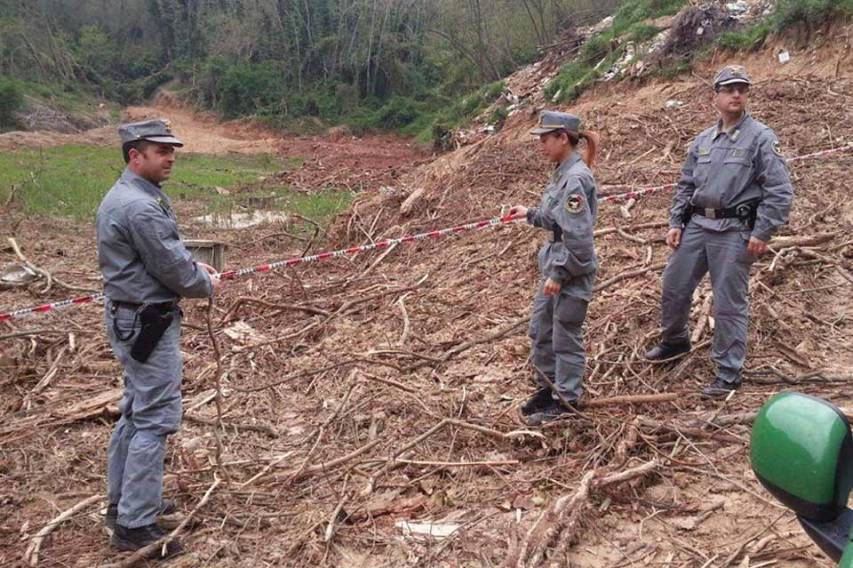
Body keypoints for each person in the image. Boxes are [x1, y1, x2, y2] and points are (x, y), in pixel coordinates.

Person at [96, 119, 222, 558]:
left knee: (135, 411)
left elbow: (164, 258)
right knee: (154, 418)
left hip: (131, 316)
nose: (171, 158)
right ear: (135, 155)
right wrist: (203, 281)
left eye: (172, 151)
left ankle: (125, 504)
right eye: (160, 151)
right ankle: (135, 524)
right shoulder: (140, 207)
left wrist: (190, 269)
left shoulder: (130, 196)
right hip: (147, 321)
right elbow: (172, 269)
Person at [645, 65, 794, 398]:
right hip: (698, 225)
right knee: (674, 286)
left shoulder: (761, 138)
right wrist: (675, 222)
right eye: (729, 89)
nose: (736, 94)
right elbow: (685, 185)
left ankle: (728, 372)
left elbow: (780, 190)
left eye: (742, 88)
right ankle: (675, 341)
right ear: (715, 96)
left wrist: (763, 230)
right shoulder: (703, 141)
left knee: (728, 303)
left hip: (734, 230)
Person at [509, 111, 600, 424]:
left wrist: (560, 275)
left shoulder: (575, 179)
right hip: (556, 262)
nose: (540, 146)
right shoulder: (562, 172)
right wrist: (530, 214)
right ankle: (548, 388)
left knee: (565, 335)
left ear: (563, 138)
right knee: (541, 330)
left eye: (545, 139)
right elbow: (554, 218)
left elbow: (580, 240)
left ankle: (567, 399)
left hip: (569, 267)